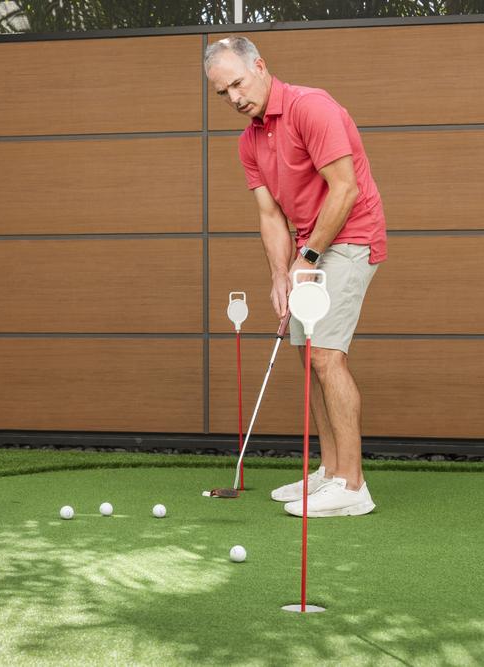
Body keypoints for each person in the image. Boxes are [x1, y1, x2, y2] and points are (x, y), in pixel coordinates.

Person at [204, 36, 387, 518]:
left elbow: (344, 189)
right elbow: (270, 216)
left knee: (327, 356)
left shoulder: (312, 107)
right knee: (309, 358)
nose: (235, 98)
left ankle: (353, 485)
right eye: (223, 93)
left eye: (238, 84)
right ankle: (329, 472)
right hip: (311, 245)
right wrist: (279, 276)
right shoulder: (249, 142)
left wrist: (305, 258)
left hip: (351, 236)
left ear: (260, 66)